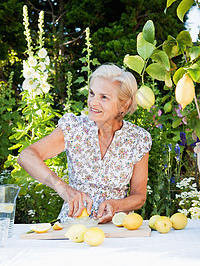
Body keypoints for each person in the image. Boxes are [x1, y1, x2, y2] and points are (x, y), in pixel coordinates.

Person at [17, 64, 152, 223]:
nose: (93, 103)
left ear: (125, 104)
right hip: (73, 225)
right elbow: (26, 156)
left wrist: (116, 205)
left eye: (104, 97)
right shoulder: (73, 128)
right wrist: (64, 188)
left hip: (117, 226)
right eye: (92, 93)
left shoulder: (138, 139)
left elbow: (139, 196)